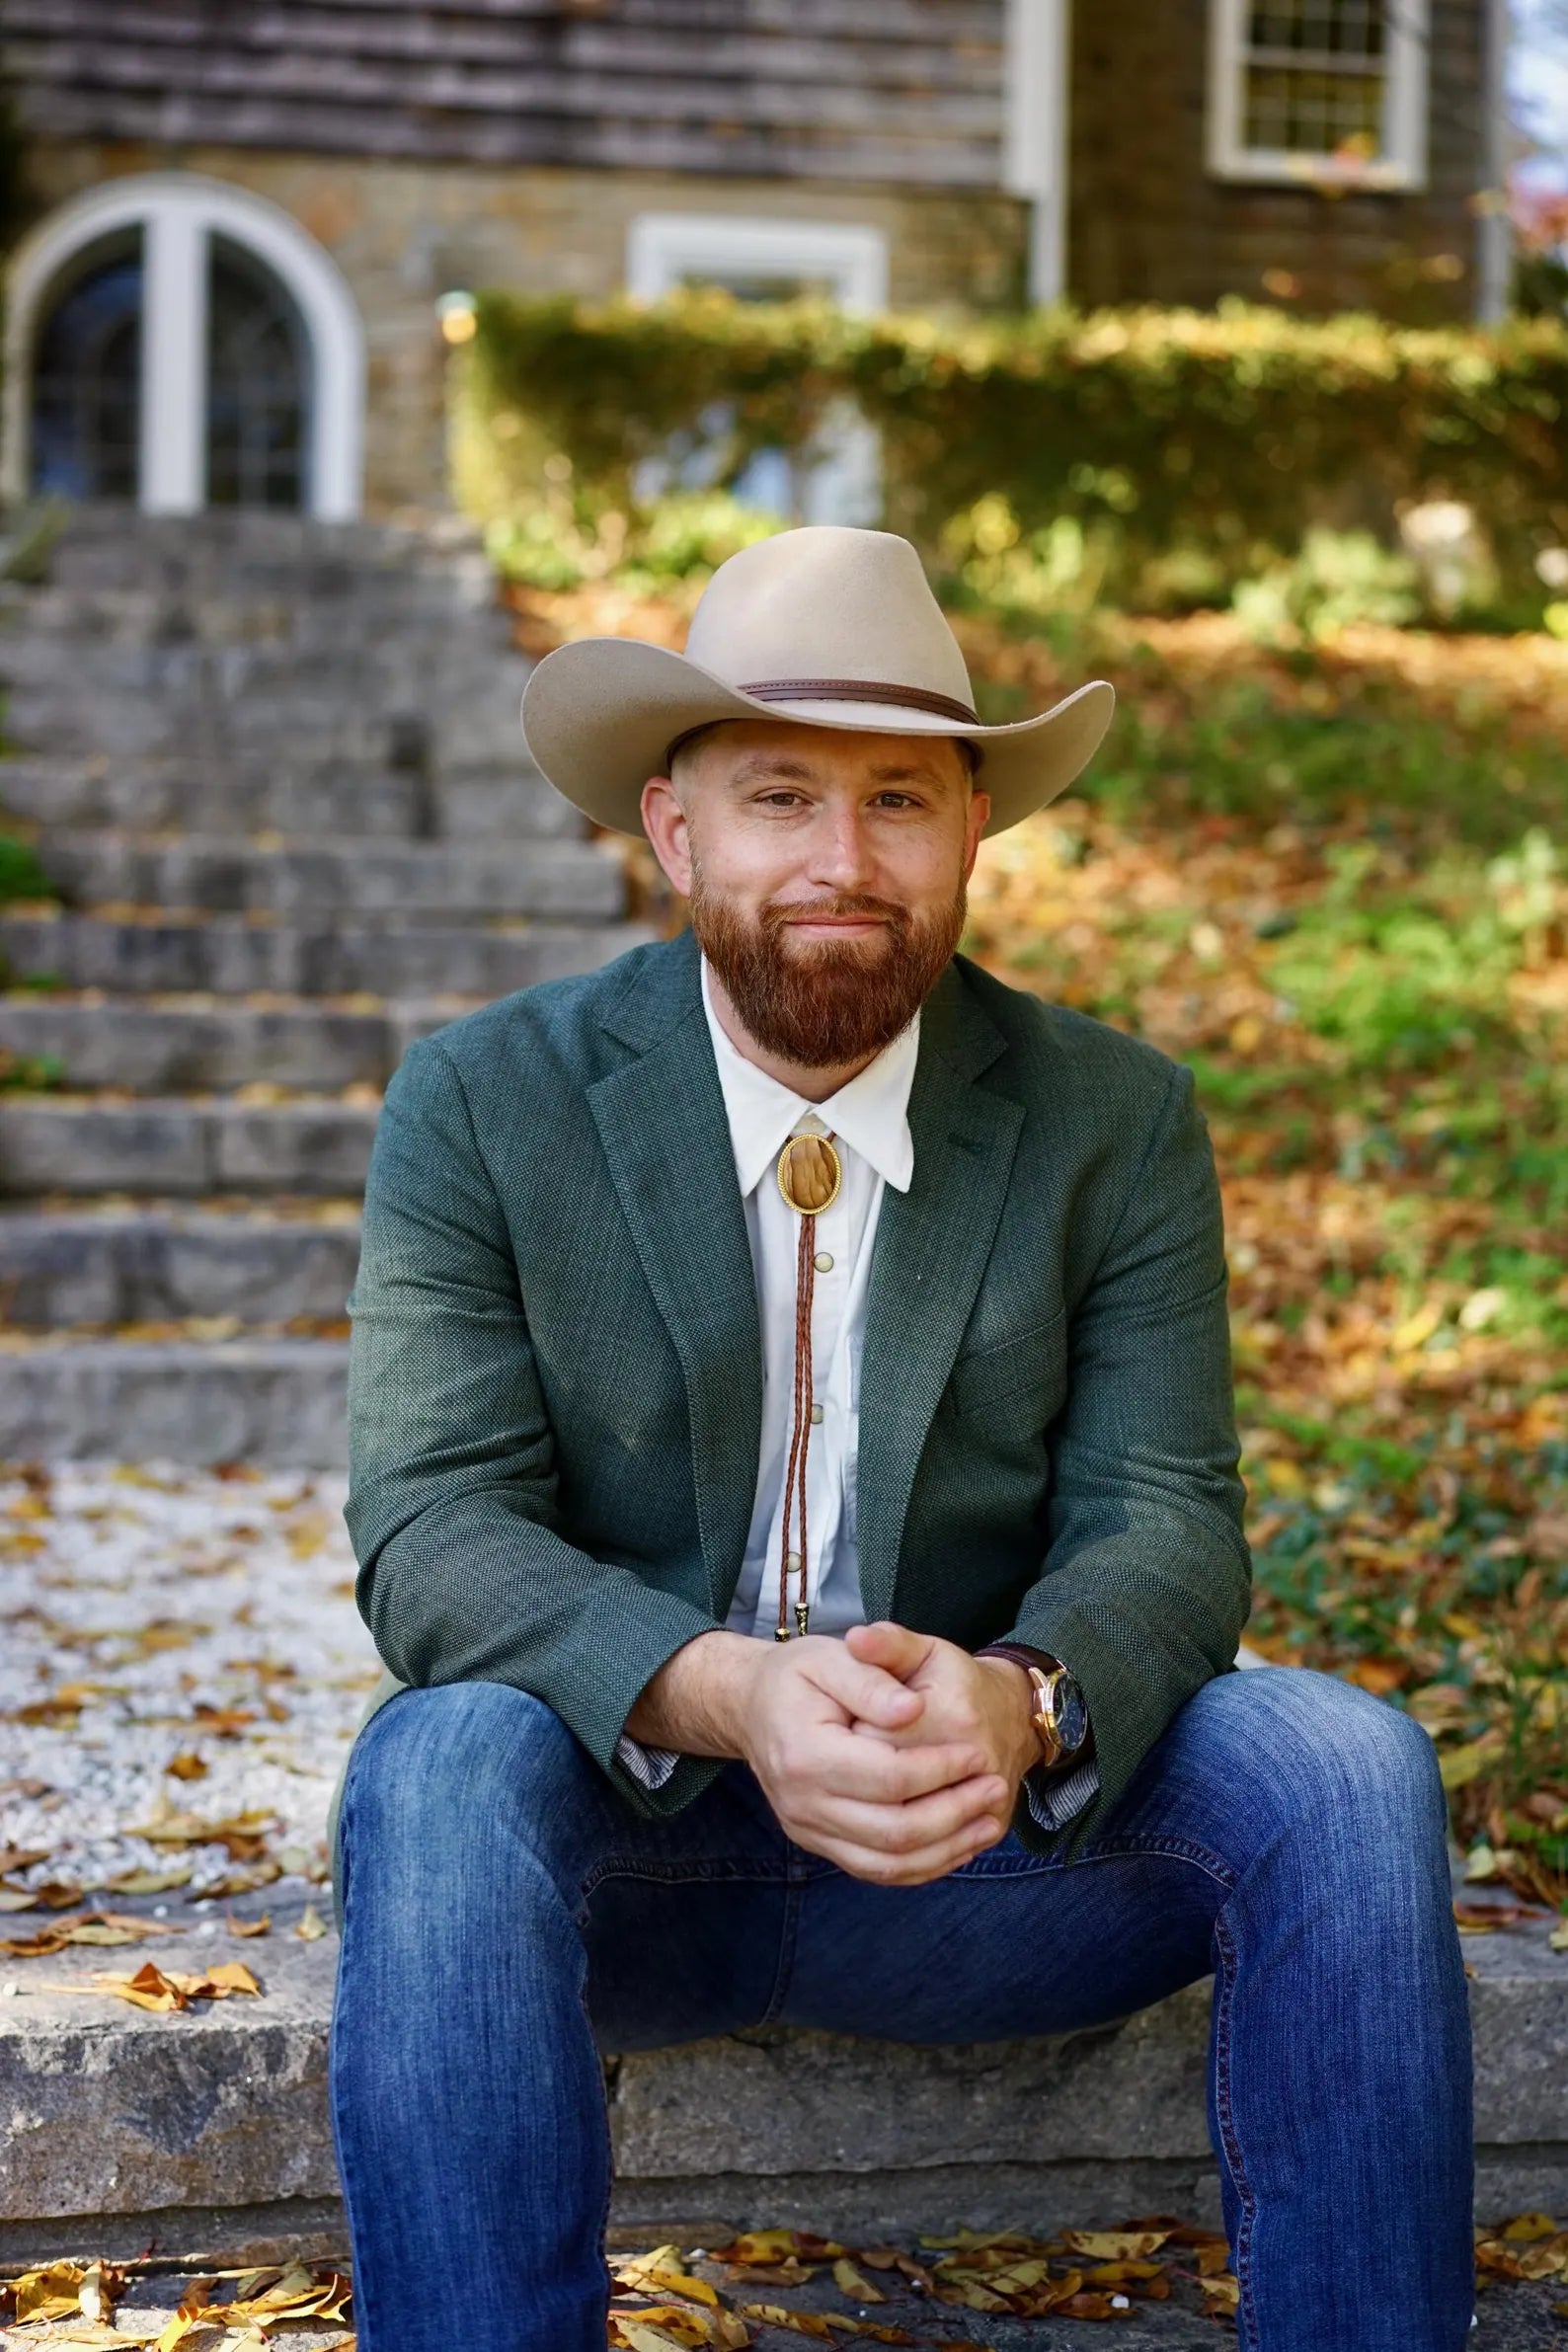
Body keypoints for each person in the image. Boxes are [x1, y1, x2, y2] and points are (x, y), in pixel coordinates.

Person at [326, 525, 1473, 2352]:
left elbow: (1166, 1516)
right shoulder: (485, 1102)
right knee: (439, 1759)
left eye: (901, 801)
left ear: (974, 833)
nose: (843, 863)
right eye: (780, 796)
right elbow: (435, 1531)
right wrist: (726, 1691)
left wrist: (1022, 1699)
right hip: (621, 1862)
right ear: (676, 826)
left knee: (1340, 1767)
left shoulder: (1115, 1117)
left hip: (986, 1857)